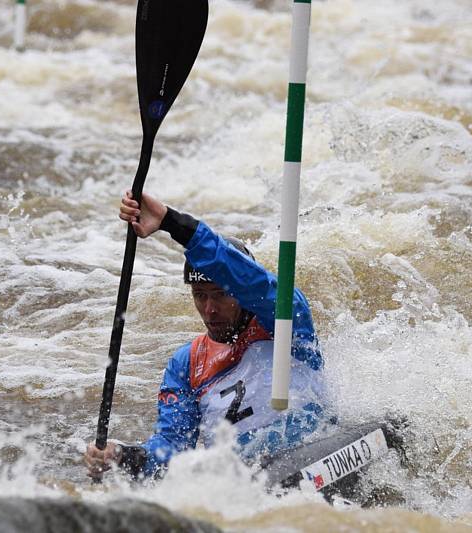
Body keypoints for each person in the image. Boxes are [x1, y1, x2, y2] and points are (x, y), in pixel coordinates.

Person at [85, 191, 326, 480]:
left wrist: (173, 223)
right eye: (200, 295)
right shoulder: (186, 363)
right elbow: (173, 450)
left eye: (220, 295)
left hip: (313, 452)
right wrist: (123, 456)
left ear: (240, 290)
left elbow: (251, 281)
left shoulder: (284, 318)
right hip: (242, 480)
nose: (209, 309)